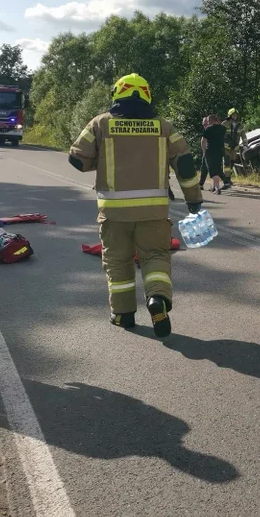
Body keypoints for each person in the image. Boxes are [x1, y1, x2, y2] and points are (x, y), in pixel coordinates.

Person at [69, 73, 203, 337]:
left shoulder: (100, 123)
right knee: (155, 256)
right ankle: (157, 299)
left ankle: (123, 314)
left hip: (114, 213)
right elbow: (185, 165)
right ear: (147, 96)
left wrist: (104, 160)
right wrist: (194, 200)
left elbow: (77, 159)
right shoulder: (164, 127)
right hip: (153, 212)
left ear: (117, 94)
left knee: (118, 261)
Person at [201, 114, 231, 194]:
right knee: (217, 169)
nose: (207, 122)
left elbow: (203, 141)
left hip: (210, 151)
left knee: (212, 171)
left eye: (208, 121)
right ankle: (214, 187)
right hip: (220, 151)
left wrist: (204, 151)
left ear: (211, 120)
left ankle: (217, 188)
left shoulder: (208, 129)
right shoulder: (223, 128)